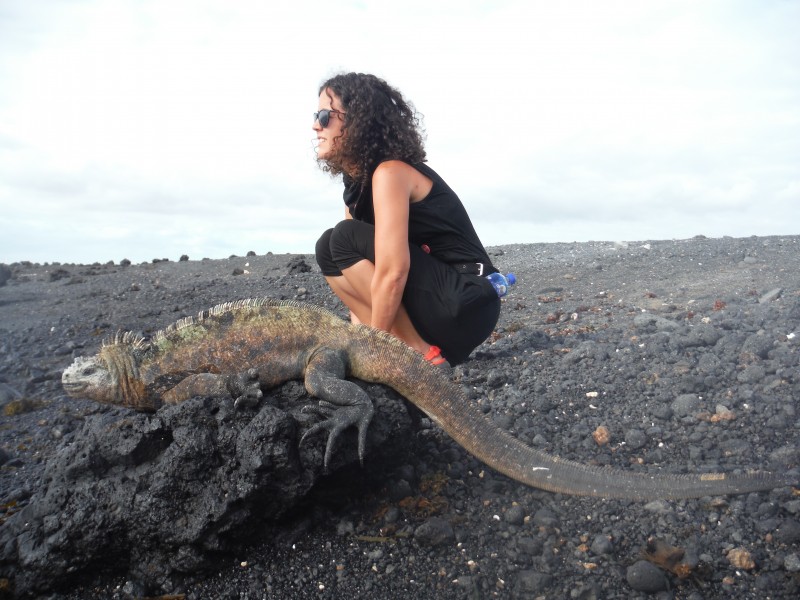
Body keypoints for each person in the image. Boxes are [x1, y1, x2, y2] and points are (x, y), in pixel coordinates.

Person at [313, 72, 501, 367]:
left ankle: (417, 355)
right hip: (435, 311)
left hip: (467, 301)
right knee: (327, 246)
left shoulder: (391, 173)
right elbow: (360, 278)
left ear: (358, 122)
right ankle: (399, 347)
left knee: (344, 237)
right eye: (317, 116)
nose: (316, 125)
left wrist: (374, 353)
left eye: (325, 116)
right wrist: (360, 340)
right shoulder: (356, 187)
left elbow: (393, 273)